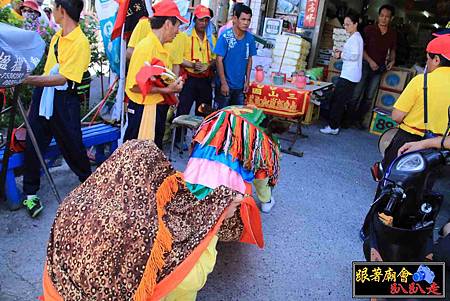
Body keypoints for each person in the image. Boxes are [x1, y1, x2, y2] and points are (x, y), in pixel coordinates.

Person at [41, 139, 257, 301]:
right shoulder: (140, 223)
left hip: (57, 290)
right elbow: (186, 274)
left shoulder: (77, 200)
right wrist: (216, 218)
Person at [21, 0, 91, 218]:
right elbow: (47, 73)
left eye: (54, 7)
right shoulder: (57, 37)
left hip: (64, 100)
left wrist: (27, 80)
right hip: (44, 96)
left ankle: (89, 184)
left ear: (63, 10)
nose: (51, 11)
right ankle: (30, 193)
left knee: (73, 144)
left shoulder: (81, 42)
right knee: (33, 143)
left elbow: (62, 78)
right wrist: (35, 94)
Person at [381, 33, 450, 170]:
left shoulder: (421, 80)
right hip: (438, 148)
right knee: (423, 185)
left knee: (391, 179)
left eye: (427, 60)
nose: (427, 64)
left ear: (436, 60)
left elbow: (396, 116)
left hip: (407, 140)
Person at [124, 0, 186, 149]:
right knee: (137, 159)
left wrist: (171, 86)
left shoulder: (161, 47)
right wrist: (167, 90)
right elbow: (135, 86)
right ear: (168, 24)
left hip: (156, 107)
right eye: (177, 26)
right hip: (143, 111)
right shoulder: (146, 47)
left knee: (150, 156)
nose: (178, 32)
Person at [348, 4, 397, 129]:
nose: (384, 19)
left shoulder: (392, 33)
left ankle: (358, 120)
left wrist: (392, 60)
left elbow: (392, 50)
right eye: (382, 16)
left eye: (387, 17)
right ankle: (347, 119)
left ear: (391, 18)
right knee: (356, 93)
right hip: (365, 64)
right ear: (378, 16)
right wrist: (370, 61)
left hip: (379, 68)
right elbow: (361, 49)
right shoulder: (369, 29)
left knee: (369, 96)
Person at [320, 11, 363, 135]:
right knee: (339, 99)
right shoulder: (355, 37)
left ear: (355, 24)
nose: (346, 27)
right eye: (344, 25)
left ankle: (333, 126)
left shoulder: (355, 38)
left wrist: (341, 54)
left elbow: (354, 55)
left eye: (348, 24)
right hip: (350, 74)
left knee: (338, 100)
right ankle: (336, 124)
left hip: (349, 75)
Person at [176, 5, 216, 118]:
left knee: (204, 114)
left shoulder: (212, 38)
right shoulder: (184, 36)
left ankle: (201, 136)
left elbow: (216, 59)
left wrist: (208, 65)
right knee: (182, 112)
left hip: (205, 80)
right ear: (194, 20)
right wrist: (192, 65)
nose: (204, 23)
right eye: (201, 20)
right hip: (189, 80)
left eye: (206, 20)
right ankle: (179, 136)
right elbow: (178, 58)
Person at [214, 4, 256, 109]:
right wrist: (223, 83)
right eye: (243, 19)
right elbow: (218, 60)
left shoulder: (250, 38)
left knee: (237, 118)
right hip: (225, 86)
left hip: (240, 87)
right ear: (235, 18)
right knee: (222, 117)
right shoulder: (225, 36)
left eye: (248, 20)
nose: (246, 23)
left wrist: (247, 81)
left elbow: (249, 59)